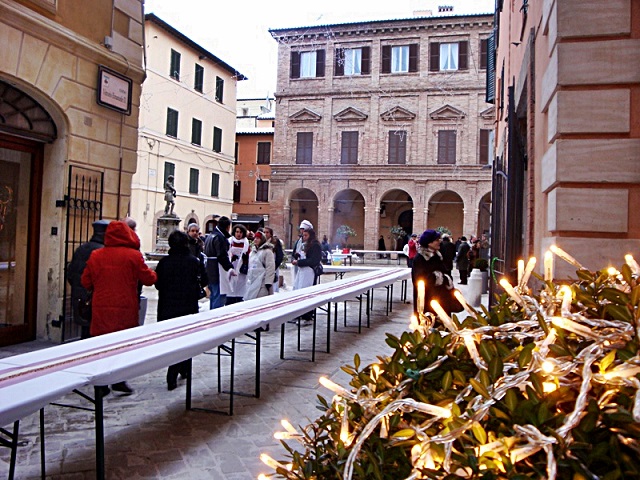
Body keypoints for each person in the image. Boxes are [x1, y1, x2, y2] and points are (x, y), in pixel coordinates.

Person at [81, 220, 157, 395]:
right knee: (121, 346)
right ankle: (119, 380)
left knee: (101, 347)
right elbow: (149, 279)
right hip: (125, 307)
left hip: (101, 307)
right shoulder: (133, 256)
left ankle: (101, 385)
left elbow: (85, 281)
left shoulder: (96, 255)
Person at [154, 230, 208, 391]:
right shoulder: (194, 261)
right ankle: (180, 369)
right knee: (186, 339)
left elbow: (158, 284)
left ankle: (177, 370)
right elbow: (205, 280)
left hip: (167, 307)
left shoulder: (164, 263)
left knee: (172, 341)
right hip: (187, 307)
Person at [67, 219, 110, 339]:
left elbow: (70, 274)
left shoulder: (81, 249)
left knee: (84, 332)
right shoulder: (102, 252)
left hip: (80, 298)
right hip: (95, 299)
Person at [412, 229, 461, 317]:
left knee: (445, 325)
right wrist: (439, 277)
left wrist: (446, 279)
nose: (439, 242)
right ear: (429, 243)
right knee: (430, 325)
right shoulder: (420, 258)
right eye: (436, 240)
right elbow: (420, 280)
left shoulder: (437, 256)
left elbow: (445, 272)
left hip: (442, 299)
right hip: (428, 300)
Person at [204, 216, 236, 309]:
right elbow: (222, 255)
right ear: (227, 227)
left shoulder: (211, 235)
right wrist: (229, 267)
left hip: (210, 269)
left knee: (213, 295)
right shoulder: (219, 237)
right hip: (218, 270)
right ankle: (216, 319)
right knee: (219, 296)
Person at [291, 227, 322, 321]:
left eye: (306, 235)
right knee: (298, 290)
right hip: (302, 272)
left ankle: (307, 315)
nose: (304, 237)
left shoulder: (315, 245)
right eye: (303, 235)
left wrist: (299, 262)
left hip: (309, 272)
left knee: (307, 292)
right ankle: (299, 312)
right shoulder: (304, 244)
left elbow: (313, 260)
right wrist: (297, 256)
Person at [244, 231, 276, 300]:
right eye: (255, 238)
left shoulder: (267, 252)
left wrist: (268, 282)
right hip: (252, 281)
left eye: (258, 238)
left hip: (262, 283)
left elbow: (270, 267)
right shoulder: (252, 252)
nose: (255, 239)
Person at [227, 224, 250, 304]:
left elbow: (249, 256)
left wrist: (244, 258)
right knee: (230, 287)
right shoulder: (229, 241)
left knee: (240, 287)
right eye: (237, 232)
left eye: (240, 232)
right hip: (231, 266)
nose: (238, 234)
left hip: (241, 269)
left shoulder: (246, 243)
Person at [293, 220, 313, 284]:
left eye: (303, 229)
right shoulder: (299, 241)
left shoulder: (313, 243)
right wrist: (296, 255)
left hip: (308, 268)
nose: (301, 231)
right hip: (299, 266)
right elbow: (294, 252)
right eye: (301, 229)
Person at [264, 227, 284, 291]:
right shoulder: (262, 242)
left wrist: (274, 266)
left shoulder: (275, 242)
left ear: (271, 234)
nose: (265, 234)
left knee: (272, 286)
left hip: (273, 266)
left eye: (267, 232)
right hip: (263, 267)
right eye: (264, 232)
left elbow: (279, 256)